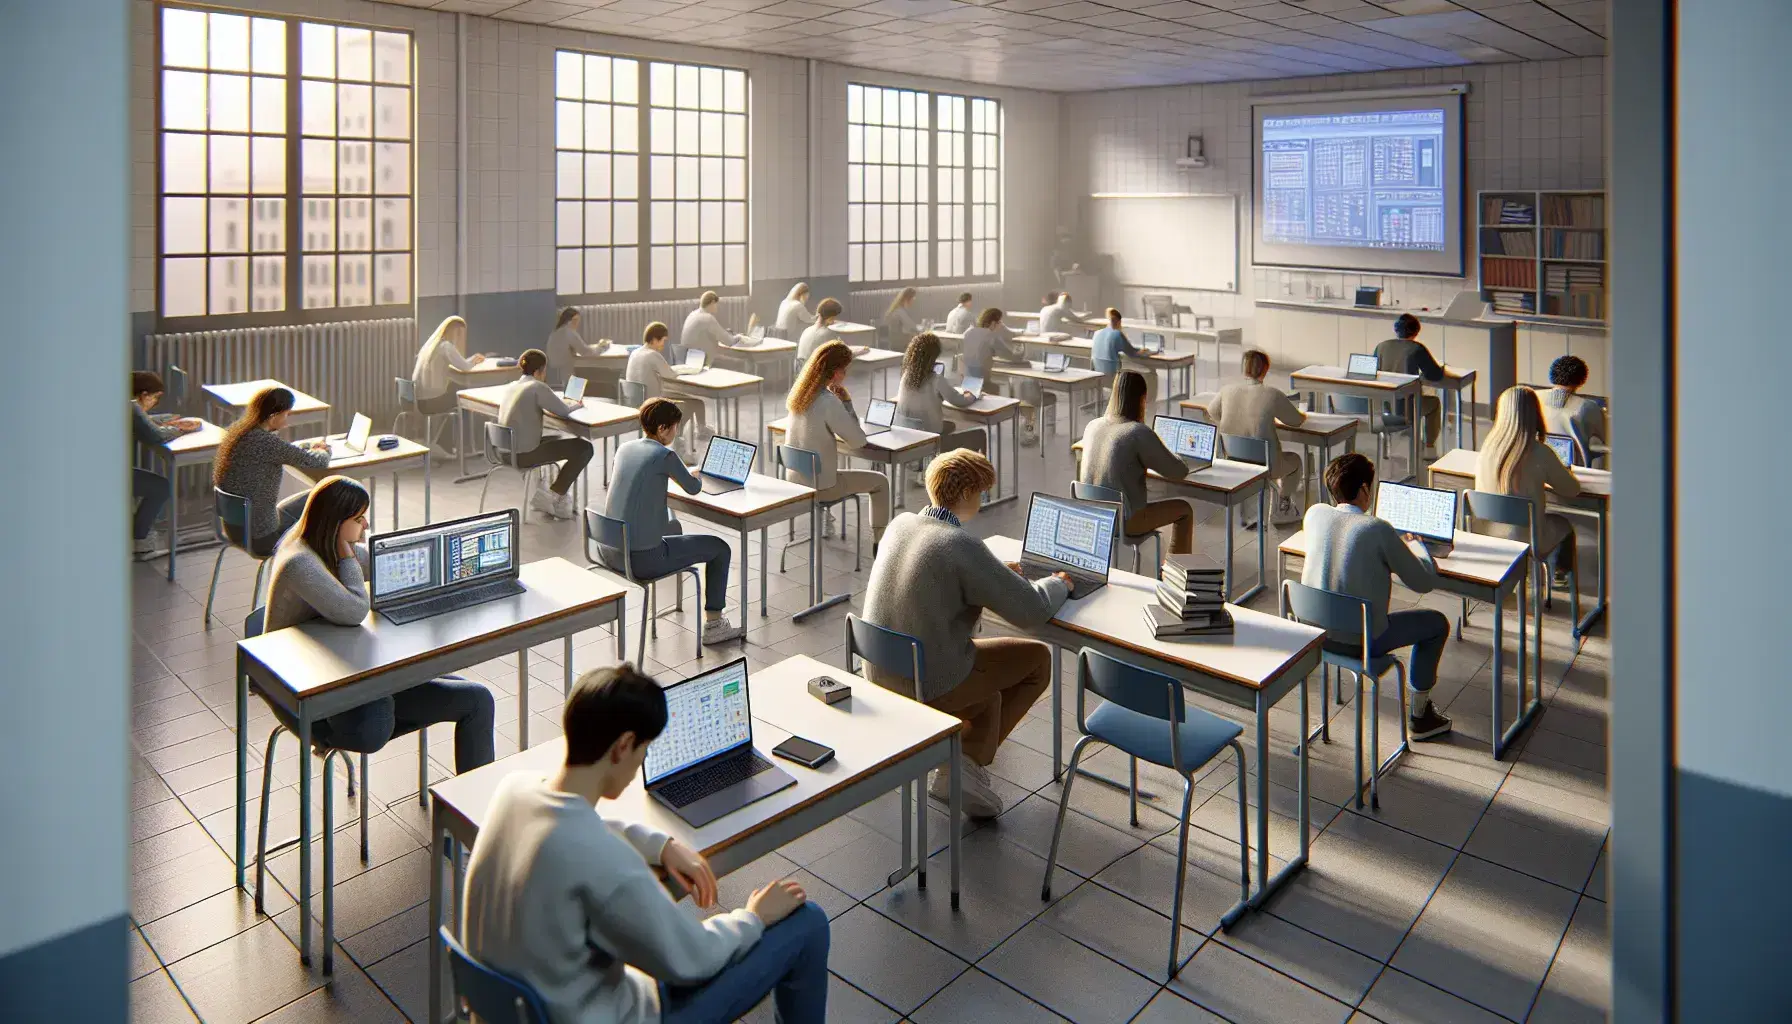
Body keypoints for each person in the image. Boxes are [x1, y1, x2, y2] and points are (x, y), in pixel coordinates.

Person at [462, 664, 829, 1024]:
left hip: (517, 1011)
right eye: (644, 751)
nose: (640, 765)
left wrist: (660, 845)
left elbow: (578, 825)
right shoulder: (606, 863)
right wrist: (753, 916)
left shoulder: (514, 790)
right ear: (623, 746)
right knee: (808, 923)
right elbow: (694, 959)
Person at [862, 450, 1068, 817]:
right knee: (1037, 660)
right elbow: (1032, 610)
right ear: (970, 491)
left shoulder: (901, 524)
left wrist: (992, 573)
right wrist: (1059, 583)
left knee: (988, 697)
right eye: (983, 491)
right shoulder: (961, 545)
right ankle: (960, 769)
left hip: (877, 670)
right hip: (925, 680)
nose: (984, 499)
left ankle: (962, 766)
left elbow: (937, 571)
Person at [263, 476, 495, 770]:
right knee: (382, 713)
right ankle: (371, 705)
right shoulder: (301, 562)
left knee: (477, 699)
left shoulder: (325, 545)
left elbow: (387, 565)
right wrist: (348, 559)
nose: (367, 526)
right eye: (359, 518)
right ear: (334, 524)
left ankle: (471, 811)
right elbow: (354, 610)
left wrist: (447, 565)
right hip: (314, 698)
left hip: (347, 675)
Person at [1301, 452, 1453, 740]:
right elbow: (1422, 583)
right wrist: (1419, 548)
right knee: (1437, 624)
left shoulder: (1314, 514)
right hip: (1361, 641)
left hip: (1315, 635)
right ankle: (1421, 717)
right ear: (1364, 490)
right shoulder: (1376, 528)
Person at [600, 398, 746, 644]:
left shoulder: (625, 449)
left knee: (672, 524)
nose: (677, 432)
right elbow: (693, 488)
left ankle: (707, 617)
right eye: (676, 426)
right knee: (720, 548)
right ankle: (714, 625)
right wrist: (697, 474)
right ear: (662, 428)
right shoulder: (664, 455)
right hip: (641, 560)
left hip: (610, 550)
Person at [784, 341, 890, 547]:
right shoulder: (828, 401)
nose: (846, 375)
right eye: (844, 370)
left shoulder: (799, 395)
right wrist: (847, 403)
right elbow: (857, 440)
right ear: (834, 373)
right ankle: (880, 544)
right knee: (880, 481)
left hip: (796, 480)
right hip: (820, 487)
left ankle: (827, 520)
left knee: (828, 467)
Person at [1476, 386, 1582, 588]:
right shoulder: (1540, 452)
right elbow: (1571, 489)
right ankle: (1559, 577)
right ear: (1535, 414)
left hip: (1489, 534)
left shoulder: (1487, 449)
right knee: (1565, 526)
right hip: (1529, 541)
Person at [1078, 371, 1194, 554]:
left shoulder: (1092, 425)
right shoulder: (1138, 432)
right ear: (1141, 399)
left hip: (1092, 516)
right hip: (1124, 521)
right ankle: (1174, 573)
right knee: (1185, 510)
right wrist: (1180, 454)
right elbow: (1178, 471)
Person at [214, 386, 332, 556]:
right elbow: (318, 461)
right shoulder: (267, 443)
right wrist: (325, 450)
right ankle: (321, 565)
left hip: (236, 530)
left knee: (312, 498)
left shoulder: (239, 433)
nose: (287, 420)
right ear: (273, 416)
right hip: (263, 538)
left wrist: (308, 447)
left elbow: (286, 450)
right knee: (325, 495)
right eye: (286, 414)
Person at [1209, 349, 1306, 526]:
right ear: (1265, 370)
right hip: (1267, 466)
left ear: (1243, 368)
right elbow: (1296, 421)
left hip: (1234, 463)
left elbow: (1212, 412)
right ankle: (1282, 505)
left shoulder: (1226, 391)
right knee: (1296, 461)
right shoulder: (1272, 394)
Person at [499, 348, 595, 520]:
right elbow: (564, 411)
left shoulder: (512, 385)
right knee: (584, 448)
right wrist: (577, 405)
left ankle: (548, 493)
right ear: (539, 371)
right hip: (523, 455)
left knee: (558, 438)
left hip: (503, 450)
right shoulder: (537, 386)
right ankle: (554, 495)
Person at [130, 371, 202, 556]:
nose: (154, 403)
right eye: (155, 399)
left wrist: (169, 419)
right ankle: (137, 538)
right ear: (144, 395)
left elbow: (146, 422)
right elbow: (157, 435)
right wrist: (181, 429)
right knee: (161, 487)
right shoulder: (131, 407)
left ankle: (137, 532)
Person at [895, 332, 984, 458]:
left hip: (907, 437)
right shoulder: (936, 380)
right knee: (979, 435)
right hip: (929, 438)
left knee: (949, 425)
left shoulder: (906, 376)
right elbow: (960, 401)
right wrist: (973, 394)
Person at [961, 308, 1038, 446]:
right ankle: (1026, 430)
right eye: (999, 323)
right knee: (1020, 389)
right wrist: (1021, 349)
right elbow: (1013, 357)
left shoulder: (968, 333)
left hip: (968, 381)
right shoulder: (991, 336)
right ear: (993, 323)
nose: (1000, 326)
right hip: (983, 383)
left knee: (1000, 383)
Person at [1373, 313, 1446, 453]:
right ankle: (1429, 447)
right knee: (1434, 403)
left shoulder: (1381, 347)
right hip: (1407, 409)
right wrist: (1441, 368)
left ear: (1396, 330)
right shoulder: (1417, 348)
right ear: (1416, 331)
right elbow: (1435, 375)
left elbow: (1372, 372)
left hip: (1384, 408)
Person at [627, 321, 708, 444]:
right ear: (654, 339)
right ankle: (677, 436)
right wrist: (685, 369)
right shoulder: (653, 355)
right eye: (663, 341)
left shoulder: (635, 352)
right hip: (654, 401)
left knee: (691, 402)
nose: (663, 345)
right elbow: (670, 375)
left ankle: (680, 434)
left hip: (636, 399)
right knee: (695, 403)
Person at [411, 315, 486, 427]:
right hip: (433, 402)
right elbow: (465, 367)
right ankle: (466, 437)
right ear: (453, 332)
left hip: (421, 402)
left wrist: (472, 359)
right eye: (459, 333)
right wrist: (475, 360)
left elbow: (461, 363)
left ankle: (448, 438)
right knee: (467, 396)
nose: (461, 337)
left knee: (454, 388)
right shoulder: (446, 346)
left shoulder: (433, 345)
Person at [1090, 306, 1155, 410]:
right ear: (1119, 322)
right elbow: (1132, 353)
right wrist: (1145, 351)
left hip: (1098, 374)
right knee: (1151, 372)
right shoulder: (1117, 334)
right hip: (1113, 375)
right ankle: (1150, 405)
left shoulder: (1097, 333)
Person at [1541, 353, 1606, 456]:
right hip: (1576, 468)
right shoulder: (1588, 406)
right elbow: (1606, 439)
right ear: (1582, 380)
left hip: (1541, 463)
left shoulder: (1535, 397)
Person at [545, 306, 610, 391]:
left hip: (555, 372)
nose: (577, 323)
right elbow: (587, 352)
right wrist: (603, 347)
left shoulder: (556, 332)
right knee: (575, 397)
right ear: (568, 320)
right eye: (575, 320)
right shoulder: (569, 332)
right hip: (568, 372)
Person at [680, 290, 754, 354]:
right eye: (716, 304)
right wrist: (740, 337)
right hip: (703, 360)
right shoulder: (708, 318)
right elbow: (729, 341)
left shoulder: (692, 314)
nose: (717, 307)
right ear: (712, 302)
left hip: (689, 358)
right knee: (737, 361)